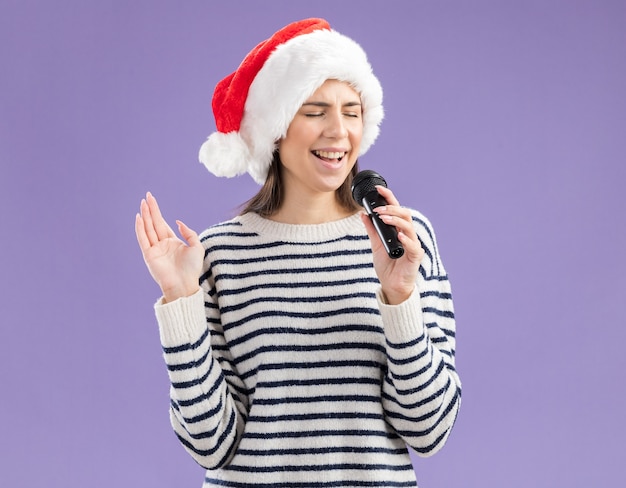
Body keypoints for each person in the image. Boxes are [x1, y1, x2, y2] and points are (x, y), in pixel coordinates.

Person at [135, 18, 461, 488]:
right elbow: (210, 444)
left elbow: (429, 430)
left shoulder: (405, 239)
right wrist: (181, 300)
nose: (339, 131)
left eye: (352, 111)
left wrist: (400, 297)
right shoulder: (219, 254)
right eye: (315, 111)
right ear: (275, 129)